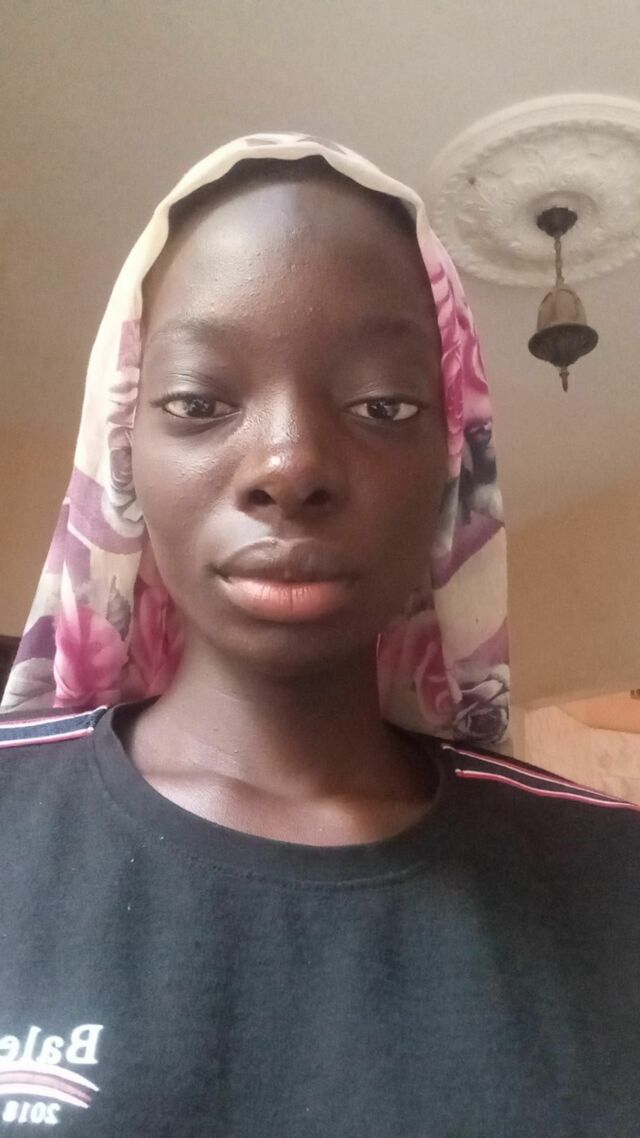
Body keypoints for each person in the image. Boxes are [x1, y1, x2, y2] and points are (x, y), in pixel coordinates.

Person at [0, 133, 637, 1137]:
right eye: (199, 402)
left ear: (451, 462)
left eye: (382, 404)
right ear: (124, 451)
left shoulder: (612, 880)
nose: (290, 466)